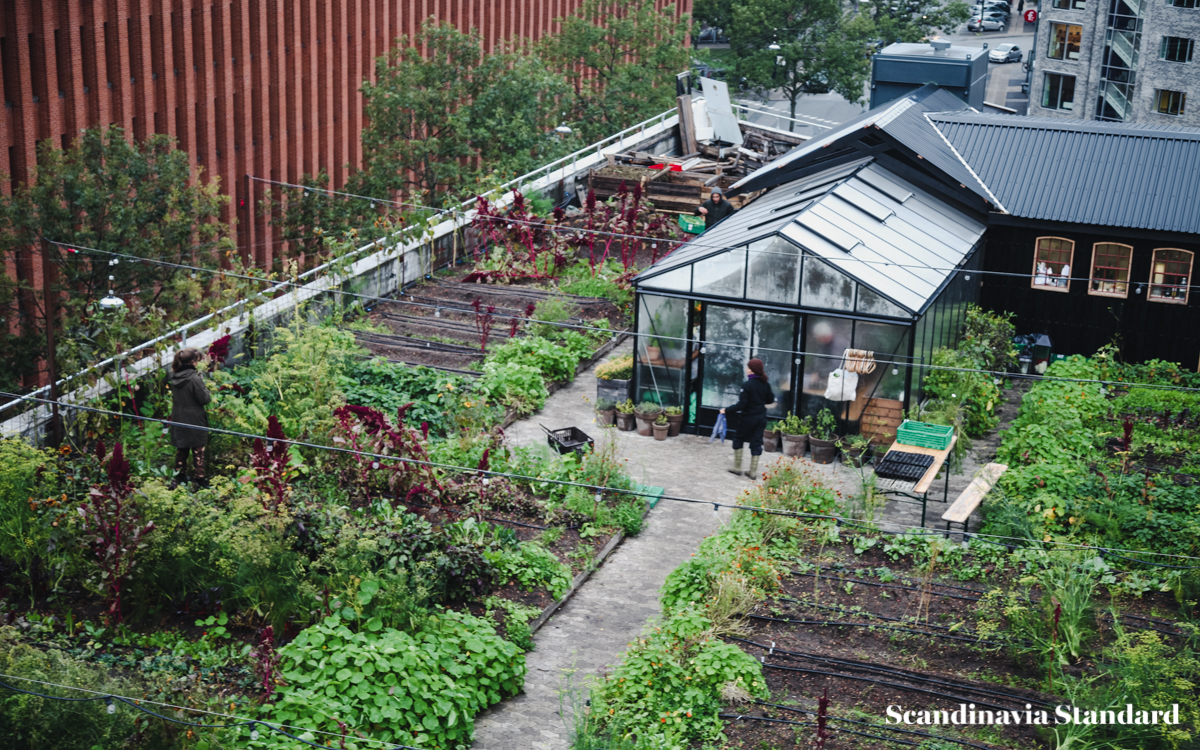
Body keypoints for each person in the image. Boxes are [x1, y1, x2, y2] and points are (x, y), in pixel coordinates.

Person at [720, 358, 775, 480]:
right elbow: (770, 400)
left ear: (752, 370)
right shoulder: (765, 384)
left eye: (748, 368)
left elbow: (741, 405)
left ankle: (737, 468)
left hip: (748, 417)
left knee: (738, 438)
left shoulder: (747, 385)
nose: (746, 369)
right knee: (756, 442)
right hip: (761, 417)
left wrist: (726, 410)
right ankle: (752, 472)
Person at [169, 347, 211, 488]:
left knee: (182, 448)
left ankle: (179, 475)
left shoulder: (174, 376)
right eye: (197, 360)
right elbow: (204, 399)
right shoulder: (193, 379)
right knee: (198, 449)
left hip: (178, 416)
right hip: (194, 418)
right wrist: (206, 389)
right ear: (193, 362)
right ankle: (200, 479)